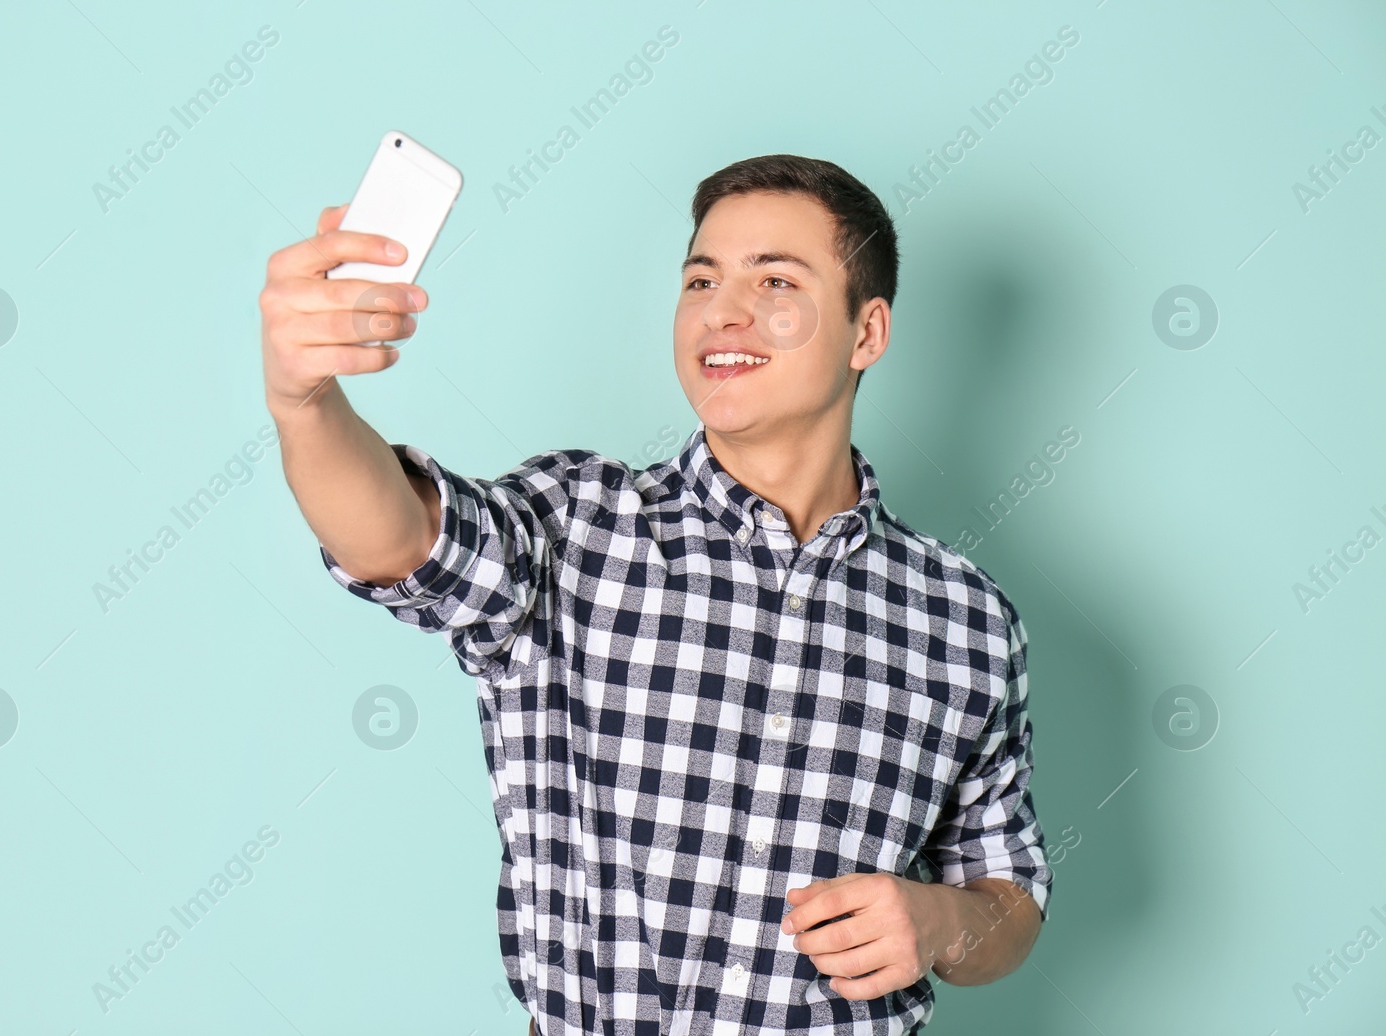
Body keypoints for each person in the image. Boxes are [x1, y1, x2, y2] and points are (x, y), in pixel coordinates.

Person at [259, 154, 1052, 1035]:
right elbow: (400, 538)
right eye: (701, 279)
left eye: (774, 280)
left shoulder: (968, 620)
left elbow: (1008, 897)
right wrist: (306, 402)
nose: (723, 311)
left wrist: (942, 920)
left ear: (867, 333)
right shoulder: (577, 526)